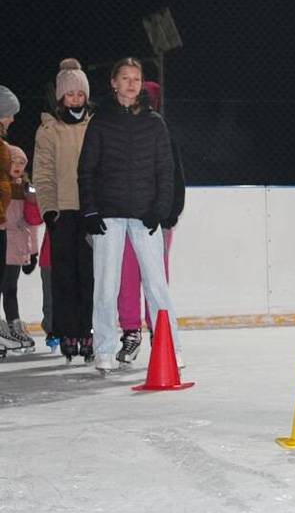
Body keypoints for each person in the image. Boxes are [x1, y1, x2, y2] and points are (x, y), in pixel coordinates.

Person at [77, 57, 181, 374]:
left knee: (156, 285)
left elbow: (166, 171)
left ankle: (170, 348)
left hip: (145, 215)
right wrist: (91, 210)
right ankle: (104, 350)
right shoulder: (101, 121)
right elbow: (86, 170)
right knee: (106, 285)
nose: (131, 83)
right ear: (113, 82)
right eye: (125, 77)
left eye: (136, 78)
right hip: (108, 215)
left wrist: (159, 211)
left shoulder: (154, 123)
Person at [115, 80, 186, 362]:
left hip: (156, 218)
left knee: (156, 280)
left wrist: (170, 213)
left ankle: (162, 332)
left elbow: (174, 176)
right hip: (125, 216)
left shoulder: (162, 131)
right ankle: (131, 331)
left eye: (146, 99)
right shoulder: (120, 131)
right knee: (127, 276)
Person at [33, 59, 95, 362]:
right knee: (64, 278)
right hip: (62, 212)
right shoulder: (49, 130)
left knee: (90, 275)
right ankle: (68, 331)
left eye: (80, 94)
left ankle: (87, 332)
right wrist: (49, 210)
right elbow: (42, 174)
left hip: (91, 211)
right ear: (61, 97)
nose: (75, 99)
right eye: (69, 94)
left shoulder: (95, 125)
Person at [0, 145, 39, 353]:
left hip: (16, 247)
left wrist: (33, 252)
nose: (17, 166)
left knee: (11, 289)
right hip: (3, 243)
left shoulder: (25, 189)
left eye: (22, 163)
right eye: (14, 161)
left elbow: (32, 222)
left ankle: (14, 324)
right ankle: (3, 330)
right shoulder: (3, 185)